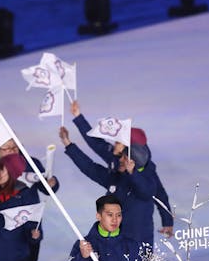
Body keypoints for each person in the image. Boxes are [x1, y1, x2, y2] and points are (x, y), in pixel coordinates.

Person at [69, 100, 174, 239]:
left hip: (138, 234)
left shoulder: (147, 172)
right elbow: (96, 143)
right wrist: (78, 117)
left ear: (129, 151)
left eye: (118, 142)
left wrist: (167, 221)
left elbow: (160, 195)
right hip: (116, 231)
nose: (114, 144)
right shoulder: (116, 157)